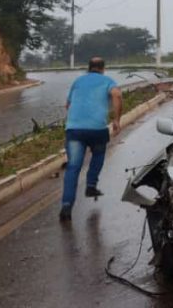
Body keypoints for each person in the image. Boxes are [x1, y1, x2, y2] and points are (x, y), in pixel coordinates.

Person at [60, 56, 122, 221]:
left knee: (73, 167)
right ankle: (91, 185)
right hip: (97, 130)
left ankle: (66, 206)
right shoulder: (107, 80)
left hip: (74, 130)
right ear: (103, 68)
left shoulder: (78, 81)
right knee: (99, 153)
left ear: (88, 68)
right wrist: (116, 120)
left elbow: (67, 105)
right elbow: (117, 95)